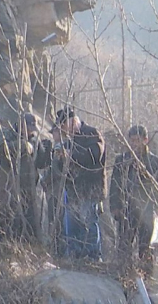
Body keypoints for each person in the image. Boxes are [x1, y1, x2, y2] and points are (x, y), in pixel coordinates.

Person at [109, 124, 158, 277]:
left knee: (145, 246)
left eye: (137, 140)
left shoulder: (154, 161)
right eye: (131, 140)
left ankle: (146, 276)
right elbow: (114, 184)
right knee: (124, 243)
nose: (134, 144)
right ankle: (123, 274)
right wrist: (114, 206)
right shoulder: (122, 160)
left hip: (147, 209)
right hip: (126, 208)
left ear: (145, 140)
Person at [52, 107, 106, 260]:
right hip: (73, 189)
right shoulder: (69, 140)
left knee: (89, 222)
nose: (64, 130)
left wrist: (71, 156)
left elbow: (95, 155)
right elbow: (62, 169)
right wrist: (60, 157)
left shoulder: (92, 133)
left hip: (89, 188)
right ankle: (75, 254)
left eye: (64, 126)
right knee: (72, 223)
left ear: (72, 121)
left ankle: (93, 255)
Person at [0, 112, 51, 242]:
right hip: (9, 188)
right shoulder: (9, 134)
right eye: (29, 128)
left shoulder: (35, 139)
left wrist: (47, 152)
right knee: (9, 221)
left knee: (30, 222)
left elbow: (40, 163)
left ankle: (30, 247)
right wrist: (23, 146)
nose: (31, 132)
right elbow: (2, 150)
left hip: (29, 189)